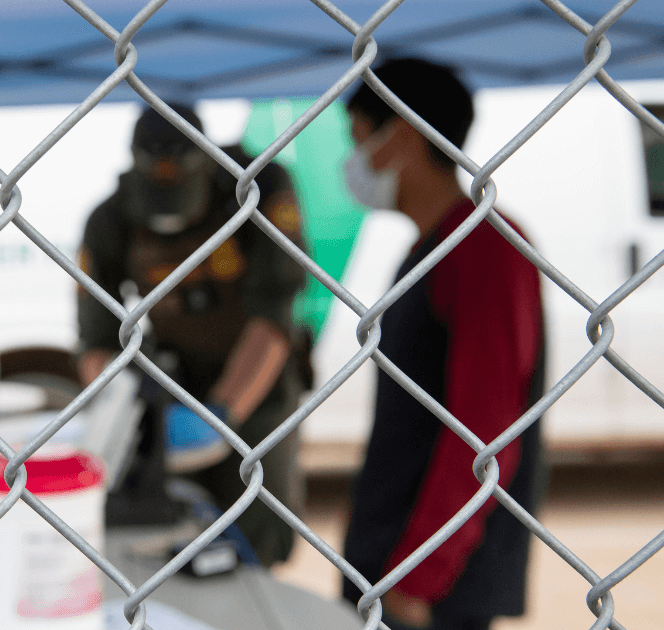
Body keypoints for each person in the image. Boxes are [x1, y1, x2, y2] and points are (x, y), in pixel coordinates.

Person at [339, 58, 546, 630]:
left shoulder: (484, 249)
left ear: (402, 136)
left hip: (433, 589)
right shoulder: (434, 246)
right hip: (395, 558)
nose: (351, 164)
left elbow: (485, 430)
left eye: (358, 139)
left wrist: (419, 576)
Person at [75, 104, 311, 567]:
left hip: (255, 387)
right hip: (176, 385)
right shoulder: (111, 219)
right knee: (171, 529)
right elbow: (96, 339)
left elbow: (275, 315)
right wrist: (115, 420)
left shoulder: (259, 190)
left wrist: (222, 415)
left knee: (257, 530)